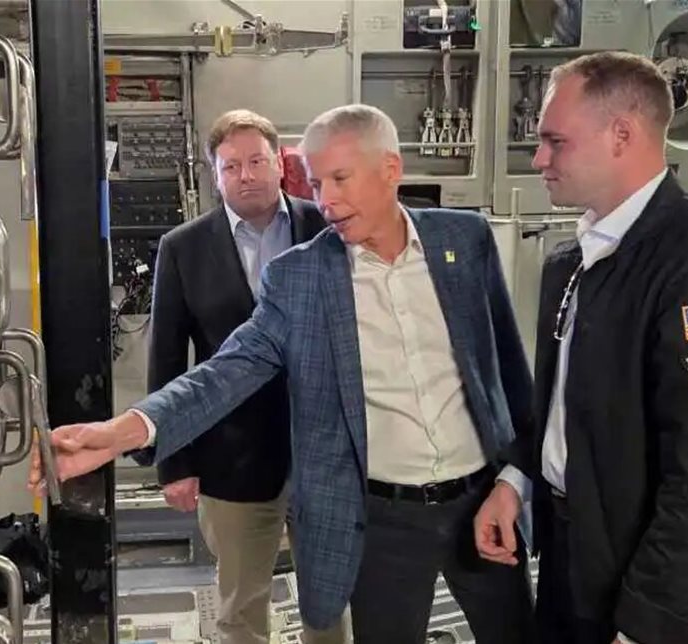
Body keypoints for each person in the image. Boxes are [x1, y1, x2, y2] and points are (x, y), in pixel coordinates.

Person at [33, 104, 538, 644]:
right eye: (317, 183)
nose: (327, 200)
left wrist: (514, 480)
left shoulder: (464, 239)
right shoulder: (300, 275)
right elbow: (224, 371)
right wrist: (121, 432)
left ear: (391, 168)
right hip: (381, 522)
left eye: (341, 178)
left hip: (486, 501)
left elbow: (508, 375)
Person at [472, 51, 688, 644]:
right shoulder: (574, 261)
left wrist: (650, 623)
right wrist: (516, 479)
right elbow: (567, 401)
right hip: (574, 553)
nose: (539, 159)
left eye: (555, 141)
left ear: (621, 135)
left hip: (647, 583)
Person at [134, 109, 339, 644]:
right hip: (231, 457)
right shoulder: (183, 248)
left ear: (279, 163)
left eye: (256, 161)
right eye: (231, 166)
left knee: (330, 605)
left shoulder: (328, 229)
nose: (245, 175)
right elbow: (167, 360)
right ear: (215, 175)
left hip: (324, 454)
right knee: (240, 606)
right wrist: (174, 463)